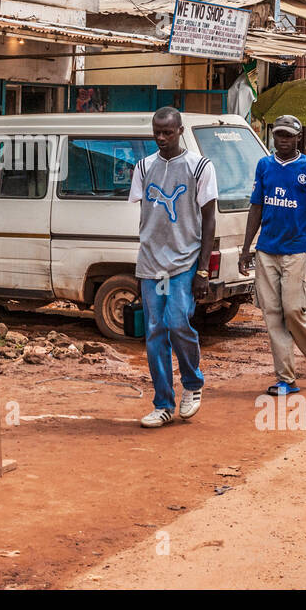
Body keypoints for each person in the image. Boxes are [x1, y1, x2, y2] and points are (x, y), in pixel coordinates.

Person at [129, 106, 218, 427]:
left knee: (178, 322)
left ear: (181, 130)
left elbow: (209, 220)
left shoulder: (200, 167)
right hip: (151, 263)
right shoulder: (143, 166)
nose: (161, 138)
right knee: (154, 331)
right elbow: (144, 218)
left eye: (168, 132)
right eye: (157, 132)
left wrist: (204, 270)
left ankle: (193, 384)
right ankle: (163, 403)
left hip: (184, 262)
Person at [238, 114, 306, 397]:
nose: (283, 140)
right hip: (266, 251)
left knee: (293, 309)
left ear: (298, 138)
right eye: (279, 135)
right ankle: (286, 379)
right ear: (272, 136)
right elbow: (256, 208)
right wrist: (245, 248)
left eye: (288, 135)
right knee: (273, 316)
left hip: (296, 251)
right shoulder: (264, 165)